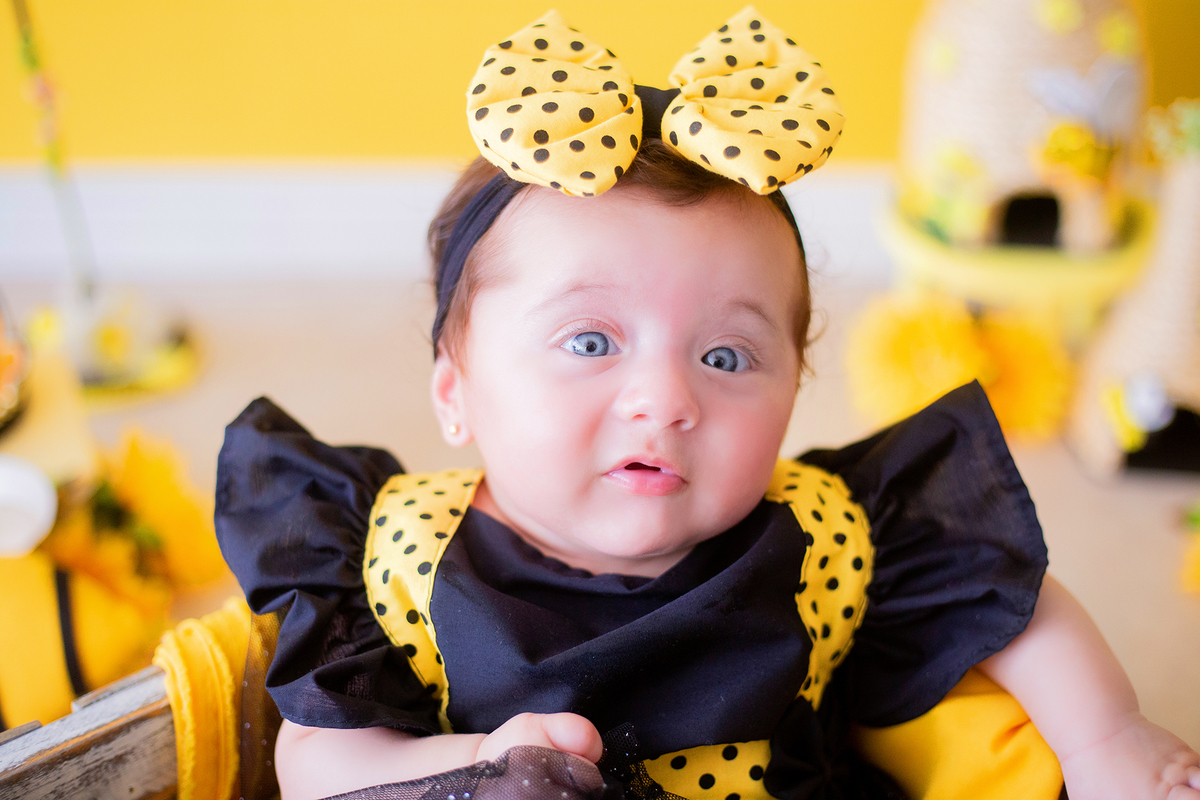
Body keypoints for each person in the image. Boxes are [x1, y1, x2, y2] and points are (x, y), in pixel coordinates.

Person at [214, 8, 1200, 800]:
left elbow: (1013, 608)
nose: (664, 398)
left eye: (727, 353)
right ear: (454, 393)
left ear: (795, 389)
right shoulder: (395, 553)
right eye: (591, 341)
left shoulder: (827, 531)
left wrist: (1110, 735)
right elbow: (315, 760)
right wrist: (476, 762)